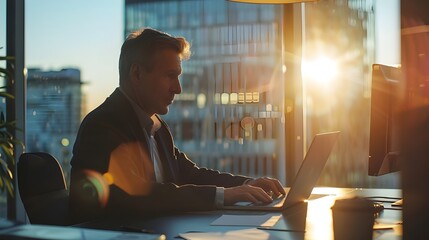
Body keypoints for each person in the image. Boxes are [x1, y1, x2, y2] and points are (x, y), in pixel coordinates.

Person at [69, 27, 285, 223]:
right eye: (170, 76)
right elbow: (134, 193)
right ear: (137, 74)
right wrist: (224, 195)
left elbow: (190, 174)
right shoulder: (103, 125)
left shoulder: (157, 127)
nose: (178, 89)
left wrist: (247, 183)